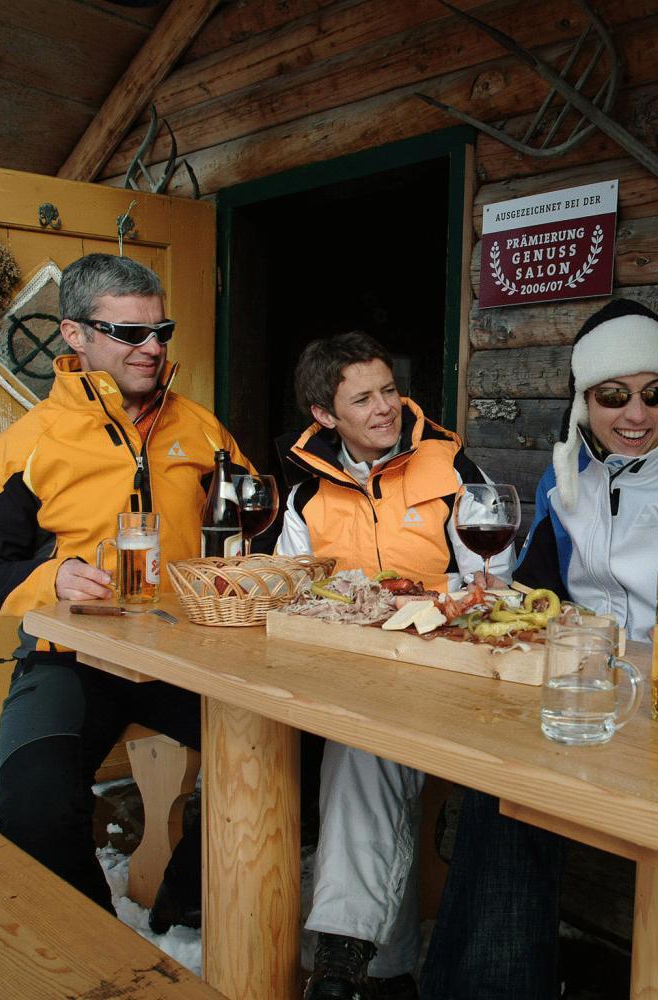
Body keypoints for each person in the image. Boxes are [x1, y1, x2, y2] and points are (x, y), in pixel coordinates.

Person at [420, 298, 658, 1000]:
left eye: (653, 393)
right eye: (613, 395)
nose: (634, 416)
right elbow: (536, 591)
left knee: (511, 800)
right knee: (497, 788)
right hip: (583, 691)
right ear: (583, 399)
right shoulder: (562, 480)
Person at [0, 253, 255, 933]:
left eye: (160, 331)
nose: (152, 349)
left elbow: (250, 522)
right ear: (75, 335)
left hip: (191, 656)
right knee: (33, 807)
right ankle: (100, 952)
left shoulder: (202, 429)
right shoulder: (32, 444)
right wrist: (49, 579)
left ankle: (191, 887)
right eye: (128, 333)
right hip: (70, 658)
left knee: (310, 755)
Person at [274, 332, 513, 1000]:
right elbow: (295, 595)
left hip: (443, 671)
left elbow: (493, 586)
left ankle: (343, 954)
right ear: (325, 416)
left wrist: (438, 609)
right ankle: (386, 970)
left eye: (389, 389)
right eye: (363, 398)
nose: (386, 408)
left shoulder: (451, 471)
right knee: (342, 737)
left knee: (364, 746)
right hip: (342, 675)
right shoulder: (304, 498)